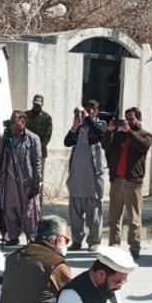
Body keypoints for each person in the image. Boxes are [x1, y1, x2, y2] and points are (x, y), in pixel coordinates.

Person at [0, 215, 73, 303]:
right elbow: (73, 299)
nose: (66, 244)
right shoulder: (57, 264)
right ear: (58, 239)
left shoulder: (13, 256)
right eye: (66, 240)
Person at [102, 106, 152, 259]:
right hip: (117, 180)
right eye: (126, 119)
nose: (128, 122)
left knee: (134, 219)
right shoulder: (119, 135)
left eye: (131, 119)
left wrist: (129, 132)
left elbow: (143, 147)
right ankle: (114, 245)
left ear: (139, 119)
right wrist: (109, 131)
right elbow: (106, 146)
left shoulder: (145, 135)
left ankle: (135, 246)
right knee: (114, 217)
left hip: (133, 182)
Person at [64, 99, 107, 251]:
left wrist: (88, 118)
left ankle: (94, 241)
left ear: (96, 110)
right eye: (86, 109)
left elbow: (100, 132)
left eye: (91, 109)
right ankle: (76, 241)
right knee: (75, 212)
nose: (88, 112)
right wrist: (74, 127)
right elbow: (67, 142)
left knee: (94, 211)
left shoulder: (100, 124)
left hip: (93, 177)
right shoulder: (79, 126)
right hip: (77, 177)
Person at [0, 109, 43, 246]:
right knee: (10, 208)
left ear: (23, 121)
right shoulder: (6, 138)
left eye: (15, 119)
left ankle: (32, 237)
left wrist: (37, 182)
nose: (12, 122)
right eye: (11, 120)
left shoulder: (33, 138)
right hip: (9, 179)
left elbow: (37, 162)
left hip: (26, 180)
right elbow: (1, 158)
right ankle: (13, 236)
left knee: (29, 210)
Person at [24, 93, 53, 166]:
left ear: (42, 104)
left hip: (40, 151)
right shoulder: (25, 115)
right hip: (26, 149)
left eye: (39, 105)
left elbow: (48, 135)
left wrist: (38, 147)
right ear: (32, 103)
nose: (36, 106)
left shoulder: (47, 117)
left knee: (38, 174)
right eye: (35, 104)